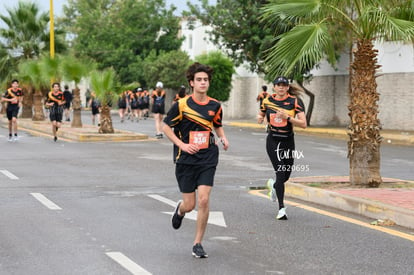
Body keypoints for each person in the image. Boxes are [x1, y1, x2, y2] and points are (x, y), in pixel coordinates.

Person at [162, 62, 229, 258]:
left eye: (205, 80)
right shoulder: (181, 105)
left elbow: (217, 124)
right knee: (190, 204)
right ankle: (181, 210)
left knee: (204, 199)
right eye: (199, 80)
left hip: (208, 156)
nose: (202, 83)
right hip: (186, 159)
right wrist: (181, 145)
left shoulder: (215, 105)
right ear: (191, 83)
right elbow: (166, 127)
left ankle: (197, 243)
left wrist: (223, 137)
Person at [257, 76, 307, 220]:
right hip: (273, 141)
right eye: (278, 85)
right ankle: (281, 209)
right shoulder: (267, 101)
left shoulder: (294, 101)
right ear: (274, 87)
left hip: (288, 141)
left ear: (287, 87)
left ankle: (273, 186)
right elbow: (261, 113)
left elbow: (303, 124)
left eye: (284, 85)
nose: (281, 87)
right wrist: (260, 118)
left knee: (286, 175)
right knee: (280, 172)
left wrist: (288, 118)